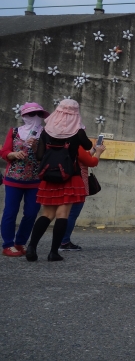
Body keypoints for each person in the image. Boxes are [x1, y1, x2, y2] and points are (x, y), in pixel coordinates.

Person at [25, 99, 93, 262]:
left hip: (49, 176)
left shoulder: (46, 131)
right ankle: (53, 252)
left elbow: (40, 156)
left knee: (47, 214)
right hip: (70, 176)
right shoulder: (78, 131)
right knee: (63, 214)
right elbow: (88, 145)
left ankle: (32, 247)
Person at [1, 103, 49, 257]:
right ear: (23, 116)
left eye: (38, 114)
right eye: (30, 114)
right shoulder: (15, 132)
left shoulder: (45, 134)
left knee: (31, 213)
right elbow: (4, 152)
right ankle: (8, 244)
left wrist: (36, 148)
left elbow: (46, 156)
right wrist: (14, 154)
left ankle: (20, 241)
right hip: (14, 178)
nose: (34, 118)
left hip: (35, 180)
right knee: (10, 211)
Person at [59, 144, 106, 251]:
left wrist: (93, 149)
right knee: (71, 215)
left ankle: (60, 240)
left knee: (64, 213)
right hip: (78, 185)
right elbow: (92, 162)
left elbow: (83, 157)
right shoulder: (76, 146)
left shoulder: (64, 144)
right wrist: (98, 152)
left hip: (66, 184)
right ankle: (64, 241)